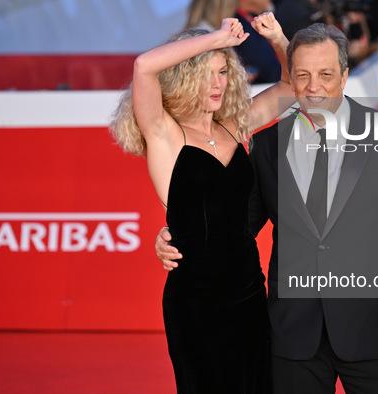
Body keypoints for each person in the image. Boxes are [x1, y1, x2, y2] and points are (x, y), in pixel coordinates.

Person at [157, 23, 378, 393]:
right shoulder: (267, 146)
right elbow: (236, 225)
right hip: (291, 338)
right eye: (302, 75)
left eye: (325, 75)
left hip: (374, 334)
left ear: (345, 76)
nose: (313, 86)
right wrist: (180, 233)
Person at [111, 14, 293, 393]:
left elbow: (292, 86)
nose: (218, 83)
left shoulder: (234, 124)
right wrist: (215, 39)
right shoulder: (165, 134)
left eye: (224, 71)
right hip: (197, 303)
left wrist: (278, 39)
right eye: (207, 73)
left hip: (249, 293)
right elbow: (144, 67)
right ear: (184, 78)